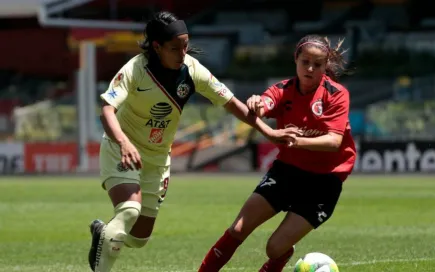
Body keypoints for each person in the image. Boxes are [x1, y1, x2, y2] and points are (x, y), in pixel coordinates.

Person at [88, 11, 299, 272]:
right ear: (157, 47)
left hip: (157, 158)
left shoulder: (192, 70)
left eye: (186, 45)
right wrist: (123, 142)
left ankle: (104, 234)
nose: (182, 53)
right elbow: (107, 109)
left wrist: (270, 132)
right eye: (175, 48)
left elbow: (231, 103)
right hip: (122, 149)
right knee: (129, 210)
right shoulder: (135, 69)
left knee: (139, 239)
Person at [198, 34, 357, 272]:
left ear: (326, 67)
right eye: (305, 62)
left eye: (318, 64)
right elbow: (264, 104)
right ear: (296, 60)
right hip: (287, 172)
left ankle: (279, 257)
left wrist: (291, 139)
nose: (310, 69)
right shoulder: (282, 90)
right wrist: (256, 103)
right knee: (238, 229)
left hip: (324, 182)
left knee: (274, 248)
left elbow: (334, 141)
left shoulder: (336, 94)